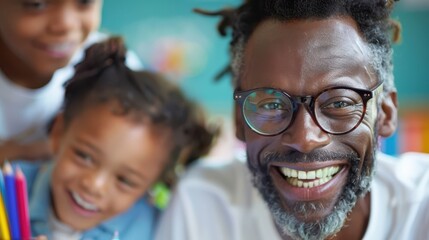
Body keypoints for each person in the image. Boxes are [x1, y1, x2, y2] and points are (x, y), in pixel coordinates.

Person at [155, 0, 429, 240]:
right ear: (239, 120)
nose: (304, 139)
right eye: (272, 103)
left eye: (339, 102)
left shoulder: (421, 206)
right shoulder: (202, 206)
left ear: (385, 113)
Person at [14, 36, 216, 239]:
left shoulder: (154, 230)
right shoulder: (8, 191)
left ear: (152, 187)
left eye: (125, 180)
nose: (94, 185)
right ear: (59, 132)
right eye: (84, 156)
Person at [0, 0, 141, 163]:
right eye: (36, 5)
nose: (65, 25)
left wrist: (27, 152)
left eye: (85, 2)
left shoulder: (112, 65)